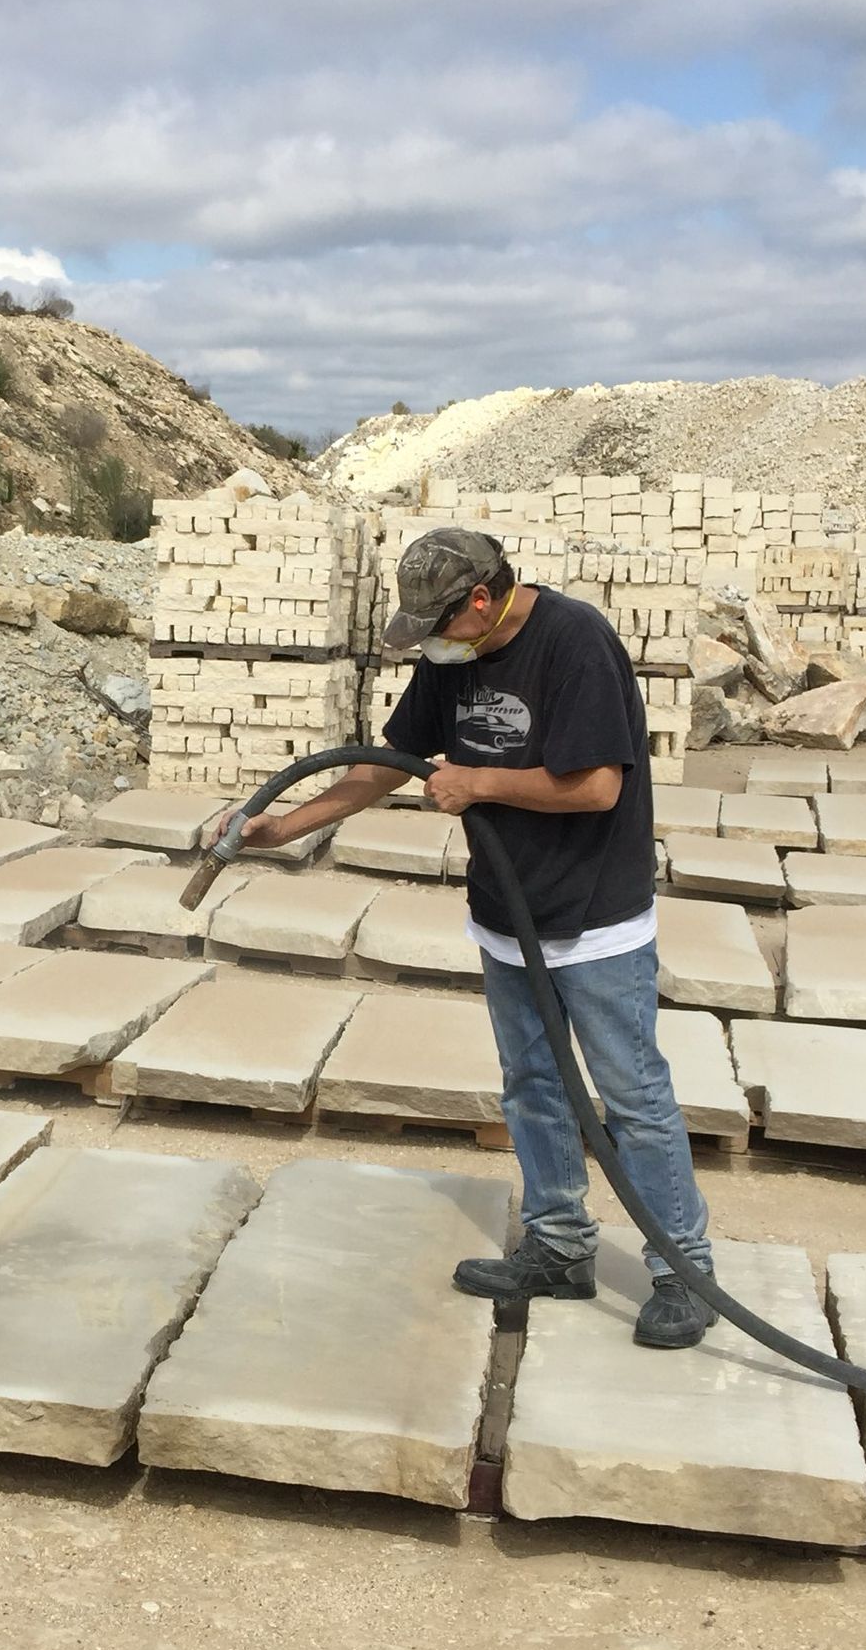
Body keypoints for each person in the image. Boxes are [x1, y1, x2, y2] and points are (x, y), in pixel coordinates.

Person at [221, 526, 717, 1348]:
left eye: (440, 628)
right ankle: (559, 1246)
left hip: (594, 922)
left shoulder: (575, 642)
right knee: (531, 1083)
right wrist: (287, 828)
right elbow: (387, 763)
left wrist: (479, 781)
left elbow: (596, 787)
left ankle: (684, 1273)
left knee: (634, 1100)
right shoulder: (448, 654)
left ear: (481, 601)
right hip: (507, 913)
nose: (432, 649)